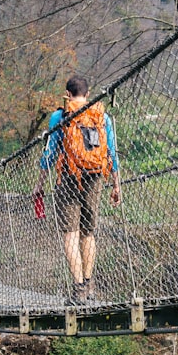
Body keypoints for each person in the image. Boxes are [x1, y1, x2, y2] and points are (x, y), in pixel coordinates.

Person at [33, 76, 121, 300]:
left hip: (68, 178)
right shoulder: (102, 116)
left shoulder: (59, 116)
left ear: (67, 93)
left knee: (70, 235)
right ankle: (90, 285)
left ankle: (79, 289)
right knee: (88, 234)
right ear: (88, 93)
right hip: (94, 178)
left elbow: (50, 153)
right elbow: (111, 152)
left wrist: (40, 184)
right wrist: (116, 184)